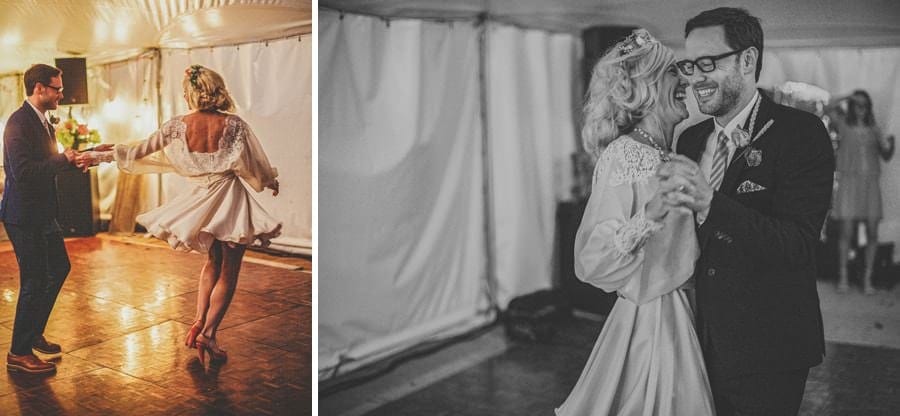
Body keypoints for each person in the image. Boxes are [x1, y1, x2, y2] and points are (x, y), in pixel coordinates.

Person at [659, 7, 834, 415]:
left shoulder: (801, 135)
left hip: (768, 348)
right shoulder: (689, 139)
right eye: (689, 65)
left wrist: (711, 203)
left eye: (707, 63)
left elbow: (798, 244)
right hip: (695, 340)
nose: (695, 78)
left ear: (748, 60)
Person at [555, 29, 715, 415]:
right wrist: (650, 216)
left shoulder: (667, 153)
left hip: (685, 310)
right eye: (673, 72)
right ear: (647, 87)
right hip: (653, 321)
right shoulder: (624, 154)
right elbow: (593, 255)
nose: (686, 82)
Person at [77, 65, 281, 365]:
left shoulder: (176, 126)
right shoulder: (235, 125)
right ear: (217, 90)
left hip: (200, 202)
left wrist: (99, 156)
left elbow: (140, 151)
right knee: (229, 270)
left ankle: (199, 319)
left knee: (212, 261)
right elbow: (255, 164)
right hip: (231, 202)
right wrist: (269, 181)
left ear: (191, 94)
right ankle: (208, 333)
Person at [1, 64, 110, 374]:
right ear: (39, 89)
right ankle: (18, 352)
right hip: (23, 215)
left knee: (59, 268)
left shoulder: (42, 122)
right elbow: (23, 173)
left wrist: (89, 154)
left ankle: (33, 331)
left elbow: (48, 164)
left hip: (43, 213)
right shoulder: (18, 123)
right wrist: (64, 158)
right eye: (57, 89)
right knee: (34, 280)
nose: (62, 94)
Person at [826, 90, 893, 294]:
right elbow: (829, 108)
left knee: (872, 231)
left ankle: (867, 279)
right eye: (858, 104)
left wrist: (889, 143)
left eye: (865, 104)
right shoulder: (844, 125)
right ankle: (844, 276)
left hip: (870, 184)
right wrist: (848, 96)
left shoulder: (875, 128)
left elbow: (886, 153)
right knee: (846, 232)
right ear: (853, 106)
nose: (861, 108)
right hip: (849, 182)